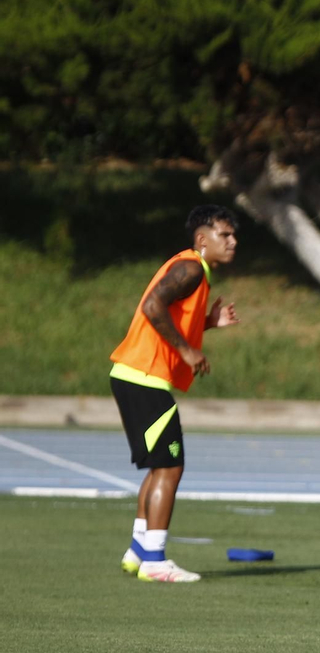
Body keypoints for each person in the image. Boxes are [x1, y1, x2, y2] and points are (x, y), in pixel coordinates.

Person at [112, 205, 241, 582]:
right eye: (225, 235)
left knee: (160, 467)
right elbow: (153, 305)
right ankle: (154, 560)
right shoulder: (189, 268)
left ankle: (138, 551)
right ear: (202, 239)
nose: (233, 242)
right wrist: (187, 351)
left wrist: (208, 324)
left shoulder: (194, 271)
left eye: (234, 236)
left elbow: (171, 316)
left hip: (136, 376)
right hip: (144, 378)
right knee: (170, 466)